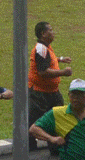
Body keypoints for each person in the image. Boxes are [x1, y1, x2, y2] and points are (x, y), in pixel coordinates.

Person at [28, 20, 75, 150]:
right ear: (43, 33)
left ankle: (55, 146)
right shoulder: (41, 49)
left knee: (57, 117)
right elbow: (43, 71)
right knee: (37, 121)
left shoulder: (46, 47)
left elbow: (48, 60)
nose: (53, 32)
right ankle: (29, 148)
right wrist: (63, 72)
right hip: (40, 93)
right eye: (50, 30)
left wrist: (60, 59)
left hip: (50, 91)